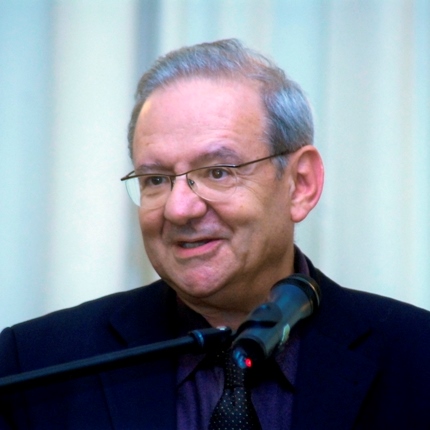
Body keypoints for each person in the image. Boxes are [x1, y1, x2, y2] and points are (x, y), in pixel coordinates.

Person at [1, 39, 430, 430]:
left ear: (300, 184)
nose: (179, 208)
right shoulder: (34, 364)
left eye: (218, 172)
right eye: (155, 179)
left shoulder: (417, 355)